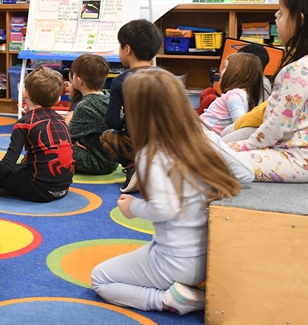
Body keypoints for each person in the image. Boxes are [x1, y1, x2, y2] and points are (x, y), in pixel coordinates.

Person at [91, 68, 254, 315]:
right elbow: (245, 173)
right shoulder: (204, 137)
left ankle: (168, 300)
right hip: (210, 257)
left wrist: (132, 208)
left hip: (174, 261)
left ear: (138, 113)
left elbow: (164, 209)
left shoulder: (151, 154)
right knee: (144, 253)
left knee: (100, 278)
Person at [228, 0, 308, 182]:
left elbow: (278, 126)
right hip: (292, 152)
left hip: (295, 158)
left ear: (300, 20)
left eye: (281, 13)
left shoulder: (298, 70)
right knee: (222, 149)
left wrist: (246, 145)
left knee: (219, 159)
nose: (275, 17)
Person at [0, 66, 74, 202]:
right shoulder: (61, 119)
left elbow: (7, 164)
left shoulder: (25, 123)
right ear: (57, 99)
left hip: (39, 189)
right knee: (23, 166)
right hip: (63, 187)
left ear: (25, 93)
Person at [101, 19, 162, 193]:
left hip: (136, 142)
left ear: (127, 49)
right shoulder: (165, 76)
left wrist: (123, 124)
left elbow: (111, 120)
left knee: (105, 137)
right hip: (166, 143)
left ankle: (131, 166)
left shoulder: (121, 81)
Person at [66, 55, 118, 175]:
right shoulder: (107, 96)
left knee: (52, 147)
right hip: (111, 159)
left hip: (98, 162)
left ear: (78, 81)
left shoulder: (85, 106)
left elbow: (67, 137)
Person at [199, 53, 263, 135]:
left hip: (204, 139)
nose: (220, 71)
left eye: (225, 67)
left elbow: (241, 125)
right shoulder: (244, 95)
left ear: (237, 71)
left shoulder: (233, 95)